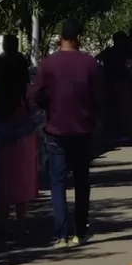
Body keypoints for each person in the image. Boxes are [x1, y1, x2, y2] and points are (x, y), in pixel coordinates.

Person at [31, 19, 104, 247]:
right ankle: (79, 232)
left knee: (58, 182)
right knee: (82, 182)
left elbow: (35, 96)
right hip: (83, 130)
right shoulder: (90, 64)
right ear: (78, 38)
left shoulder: (48, 64)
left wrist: (49, 105)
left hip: (56, 129)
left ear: (60, 38)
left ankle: (61, 234)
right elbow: (99, 98)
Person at [0, 47, 40, 229]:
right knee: (22, 182)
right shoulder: (26, 90)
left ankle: (2, 220)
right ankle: (20, 221)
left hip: (2, 141)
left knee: (4, 181)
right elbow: (37, 114)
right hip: (24, 141)